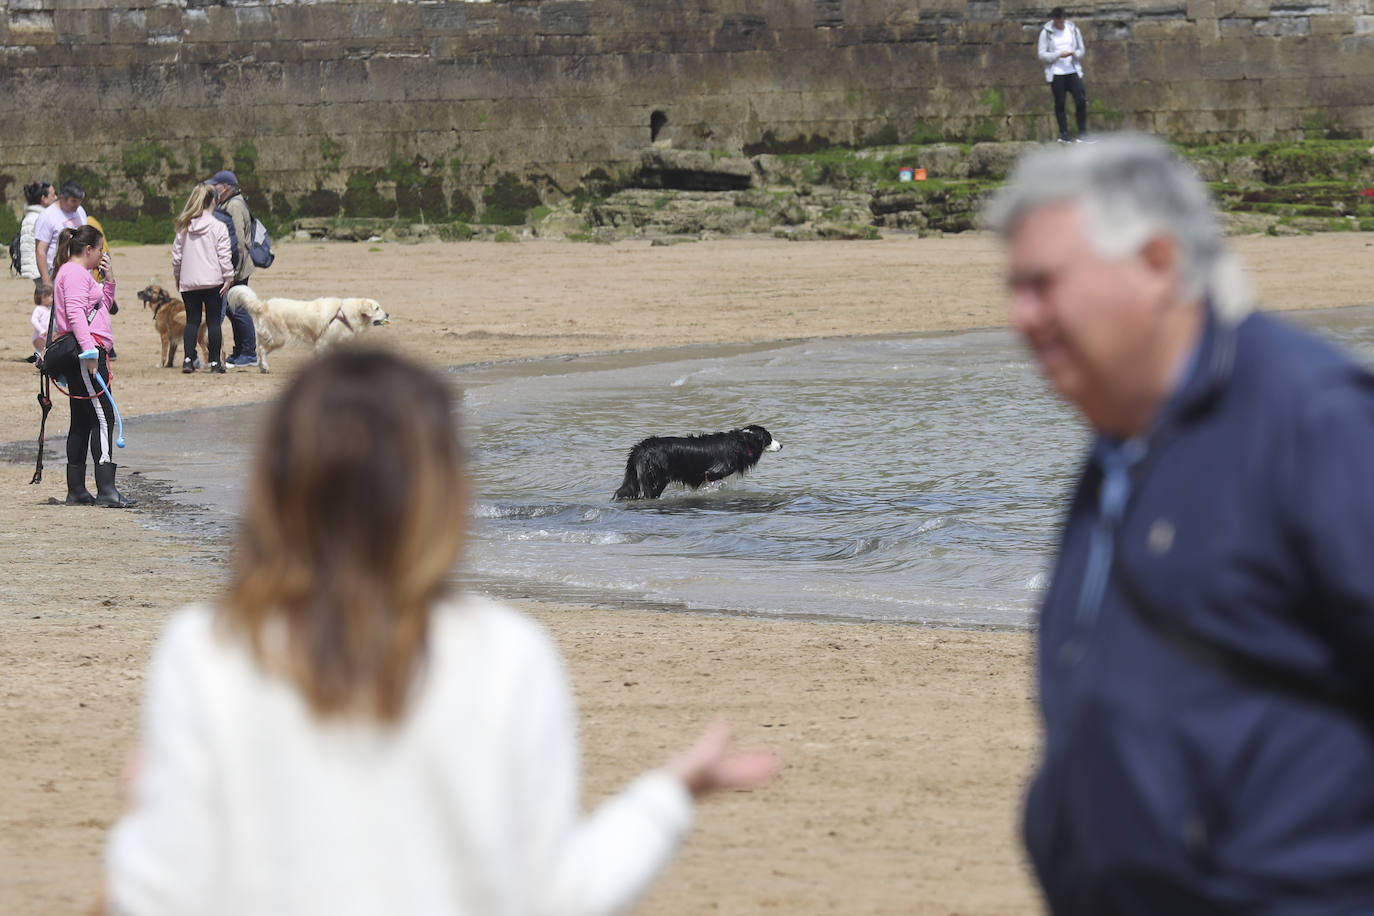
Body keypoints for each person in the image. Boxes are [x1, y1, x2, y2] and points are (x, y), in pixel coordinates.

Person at [105, 349, 779, 914]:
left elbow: (157, 891)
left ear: (276, 483)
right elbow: (559, 893)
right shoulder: (508, 652)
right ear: (444, 487)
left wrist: (138, 821)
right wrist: (668, 798)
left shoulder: (205, 648)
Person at [989, 132, 1374, 912]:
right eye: (1013, 288)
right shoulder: (1122, 443)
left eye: (1042, 283)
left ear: (1158, 265)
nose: (1019, 317)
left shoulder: (1314, 422)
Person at [51, 224, 134, 508]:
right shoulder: (74, 273)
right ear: (88, 250)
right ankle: (107, 490)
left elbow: (102, 305)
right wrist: (89, 353)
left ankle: (77, 490)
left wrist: (109, 280)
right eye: (100, 250)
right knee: (103, 418)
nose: (101, 255)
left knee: (83, 420)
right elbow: (75, 313)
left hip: (86, 349)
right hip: (86, 353)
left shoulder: (77, 273)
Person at [170, 185, 233, 374]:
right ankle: (215, 363)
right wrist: (228, 277)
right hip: (213, 281)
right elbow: (224, 255)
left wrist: (178, 276)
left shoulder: (184, 227)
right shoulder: (218, 226)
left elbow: (176, 256)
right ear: (213, 200)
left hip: (189, 281)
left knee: (192, 321)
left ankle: (188, 359)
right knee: (214, 322)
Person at [207, 170, 258, 368]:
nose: (213, 189)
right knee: (231, 308)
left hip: (238, 266)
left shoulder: (235, 205)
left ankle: (248, 352)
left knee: (239, 309)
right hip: (234, 265)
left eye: (216, 185)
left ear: (225, 187)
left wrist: (232, 269)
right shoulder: (229, 203)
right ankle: (240, 350)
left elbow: (236, 240)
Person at [1037, 7, 1088, 143]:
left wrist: (1074, 53)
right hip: (1056, 73)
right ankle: (1064, 133)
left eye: (1061, 19)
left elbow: (1081, 50)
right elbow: (1042, 54)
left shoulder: (1073, 30)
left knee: (1081, 100)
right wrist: (1058, 55)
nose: (1059, 22)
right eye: (1057, 20)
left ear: (1064, 18)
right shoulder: (1046, 33)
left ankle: (1082, 133)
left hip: (1072, 70)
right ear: (1054, 19)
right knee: (1060, 103)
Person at [35, 181, 87, 288]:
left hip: (81, 270)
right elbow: (40, 250)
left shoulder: (80, 211)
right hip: (57, 273)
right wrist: (46, 280)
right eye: (73, 201)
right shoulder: (47, 216)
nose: (77, 205)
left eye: (79, 201)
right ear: (62, 198)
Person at [19, 179, 56, 286]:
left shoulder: (31, 217)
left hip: (32, 270)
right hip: (39, 272)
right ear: (43, 199)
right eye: (52, 195)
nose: (56, 198)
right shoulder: (40, 219)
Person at [30, 282, 53, 364]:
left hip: (47, 336)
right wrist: (41, 330)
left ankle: (44, 362)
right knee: (42, 351)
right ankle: (39, 362)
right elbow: (33, 320)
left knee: (47, 351)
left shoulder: (50, 309)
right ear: (43, 298)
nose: (53, 299)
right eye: (51, 296)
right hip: (39, 337)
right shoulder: (39, 309)